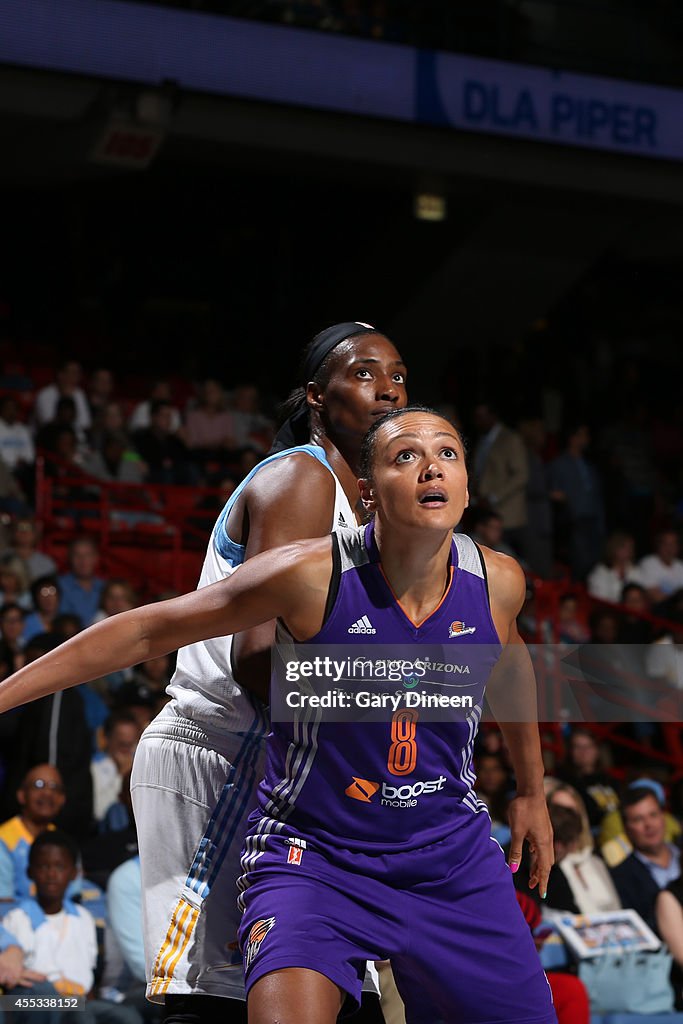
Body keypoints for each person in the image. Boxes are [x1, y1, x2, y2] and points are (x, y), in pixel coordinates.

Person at [0, 406, 557, 1024]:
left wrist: (531, 790)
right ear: (367, 492)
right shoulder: (312, 574)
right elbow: (147, 631)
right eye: (406, 455)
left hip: (446, 855)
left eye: (447, 453)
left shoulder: (497, 579)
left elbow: (509, 665)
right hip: (316, 856)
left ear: (466, 484)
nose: (431, 466)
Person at [127, 322, 407, 1023]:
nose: (389, 387)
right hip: (220, 758)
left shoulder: (369, 513)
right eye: (365, 372)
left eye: (398, 374)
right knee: (214, 1001)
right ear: (317, 395)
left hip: (290, 772)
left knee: (347, 998)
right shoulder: (303, 478)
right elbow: (257, 658)